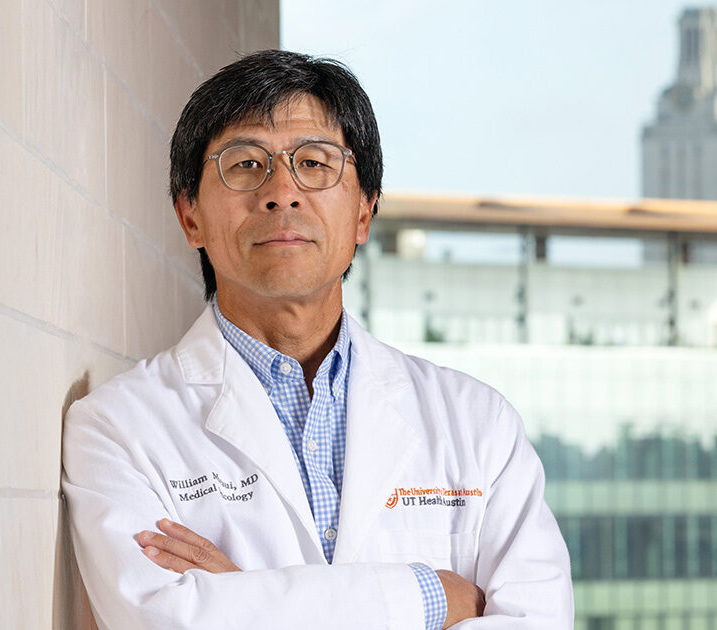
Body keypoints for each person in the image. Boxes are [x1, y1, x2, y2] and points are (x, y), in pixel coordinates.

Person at [62, 49, 573, 629]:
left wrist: (246, 598)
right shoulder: (117, 429)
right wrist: (431, 597)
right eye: (245, 164)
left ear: (364, 212)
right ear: (190, 217)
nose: (282, 191)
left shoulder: (479, 424)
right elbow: (166, 622)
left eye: (314, 161)